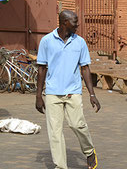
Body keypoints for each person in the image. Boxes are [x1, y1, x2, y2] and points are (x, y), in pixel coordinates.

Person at [35, 10, 100, 169]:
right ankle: (60, 166)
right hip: (52, 93)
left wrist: (92, 94)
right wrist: (38, 96)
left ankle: (89, 150)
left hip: (73, 92)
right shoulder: (47, 41)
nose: (78, 25)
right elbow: (42, 68)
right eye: (75, 22)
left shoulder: (80, 42)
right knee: (55, 133)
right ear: (64, 23)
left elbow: (85, 68)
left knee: (77, 125)